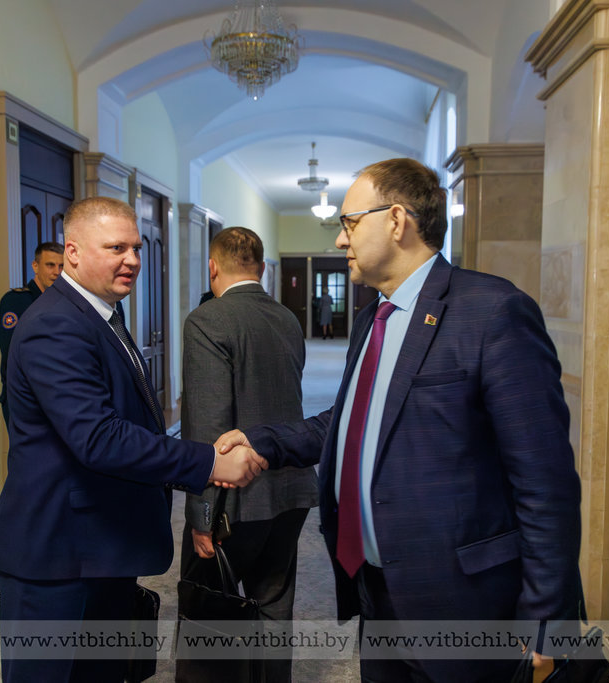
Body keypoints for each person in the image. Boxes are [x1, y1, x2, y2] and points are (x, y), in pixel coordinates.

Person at [216, 158, 583, 682]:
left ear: (395, 220)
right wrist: (263, 442)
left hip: (462, 600)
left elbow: (544, 480)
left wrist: (548, 619)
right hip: (378, 586)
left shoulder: (492, 311)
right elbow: (352, 422)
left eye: (349, 223)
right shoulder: (373, 318)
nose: (340, 240)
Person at [0, 197, 267, 683]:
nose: (133, 259)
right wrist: (208, 462)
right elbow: (99, 438)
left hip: (101, 545)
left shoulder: (99, 314)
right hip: (58, 555)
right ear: (73, 252)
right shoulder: (55, 325)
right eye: (116, 248)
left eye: (136, 248)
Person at [178, 227, 318, 682]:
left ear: (212, 267)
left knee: (206, 613)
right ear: (260, 268)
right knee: (273, 605)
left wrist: (201, 516)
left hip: (233, 500)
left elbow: (208, 428)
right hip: (291, 487)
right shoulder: (287, 318)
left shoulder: (208, 320)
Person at [0, 241, 64, 426]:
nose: (56, 272)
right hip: (25, 399)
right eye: (50, 265)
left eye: (61, 266)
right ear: (35, 266)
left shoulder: (64, 302)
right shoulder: (16, 301)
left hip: (57, 398)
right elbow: (13, 351)